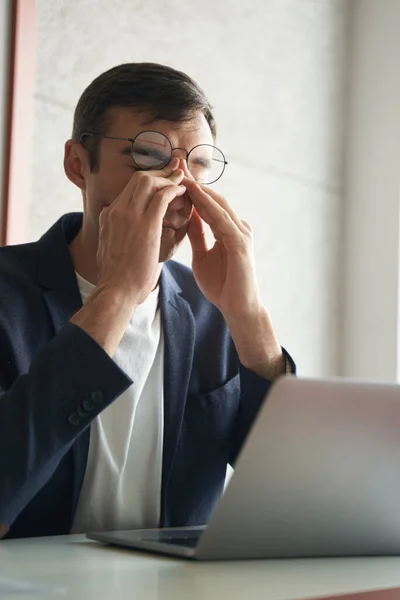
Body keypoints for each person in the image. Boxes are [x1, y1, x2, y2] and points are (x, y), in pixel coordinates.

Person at [0, 63, 295, 539]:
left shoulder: (214, 311)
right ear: (79, 165)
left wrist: (249, 318)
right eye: (148, 156)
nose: (179, 189)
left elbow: (293, 496)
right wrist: (117, 295)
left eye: (197, 164)